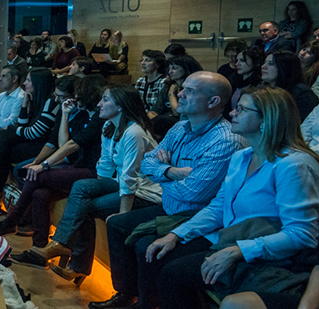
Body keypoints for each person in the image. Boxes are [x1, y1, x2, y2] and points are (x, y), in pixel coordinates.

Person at [150, 87, 319, 309]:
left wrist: (239, 251)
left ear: (266, 120)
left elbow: (303, 235)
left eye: (241, 109)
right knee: (161, 256)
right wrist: (176, 234)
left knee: (173, 273)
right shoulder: (242, 157)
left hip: (279, 258)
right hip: (237, 242)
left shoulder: (293, 165)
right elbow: (219, 206)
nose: (232, 113)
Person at [92, 71, 245, 309]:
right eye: (182, 88)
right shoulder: (180, 127)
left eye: (190, 91)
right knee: (117, 224)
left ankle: (146, 303)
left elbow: (193, 194)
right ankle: (126, 293)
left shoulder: (224, 140)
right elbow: (147, 164)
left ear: (213, 102)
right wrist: (171, 171)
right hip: (170, 205)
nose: (180, 95)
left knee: (145, 245)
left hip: (196, 215)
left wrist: (161, 170)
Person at [8, 83, 160, 277]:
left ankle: (62, 246)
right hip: (120, 182)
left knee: (80, 192)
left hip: (145, 192)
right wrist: (95, 188)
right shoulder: (109, 126)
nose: (99, 104)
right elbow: (105, 167)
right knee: (80, 192)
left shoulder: (134, 133)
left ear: (121, 106)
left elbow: (131, 178)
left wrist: (123, 215)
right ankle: (74, 263)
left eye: (105, 100)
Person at [0, 68, 60, 215]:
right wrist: (25, 104)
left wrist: (12, 129)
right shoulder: (34, 99)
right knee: (3, 151)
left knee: (4, 137)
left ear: (38, 83)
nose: (24, 83)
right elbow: (25, 126)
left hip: (45, 148)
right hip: (34, 142)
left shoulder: (51, 102)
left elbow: (35, 132)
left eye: (28, 80)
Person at [261, 50, 319, 119]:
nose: (263, 66)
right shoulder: (266, 91)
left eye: (271, 63)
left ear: (285, 67)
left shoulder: (302, 94)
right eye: (265, 62)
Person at [136, 50, 169, 117]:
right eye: (142, 60)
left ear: (158, 64)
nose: (143, 63)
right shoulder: (140, 81)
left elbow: (161, 107)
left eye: (147, 60)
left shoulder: (163, 82)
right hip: (141, 116)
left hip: (157, 117)